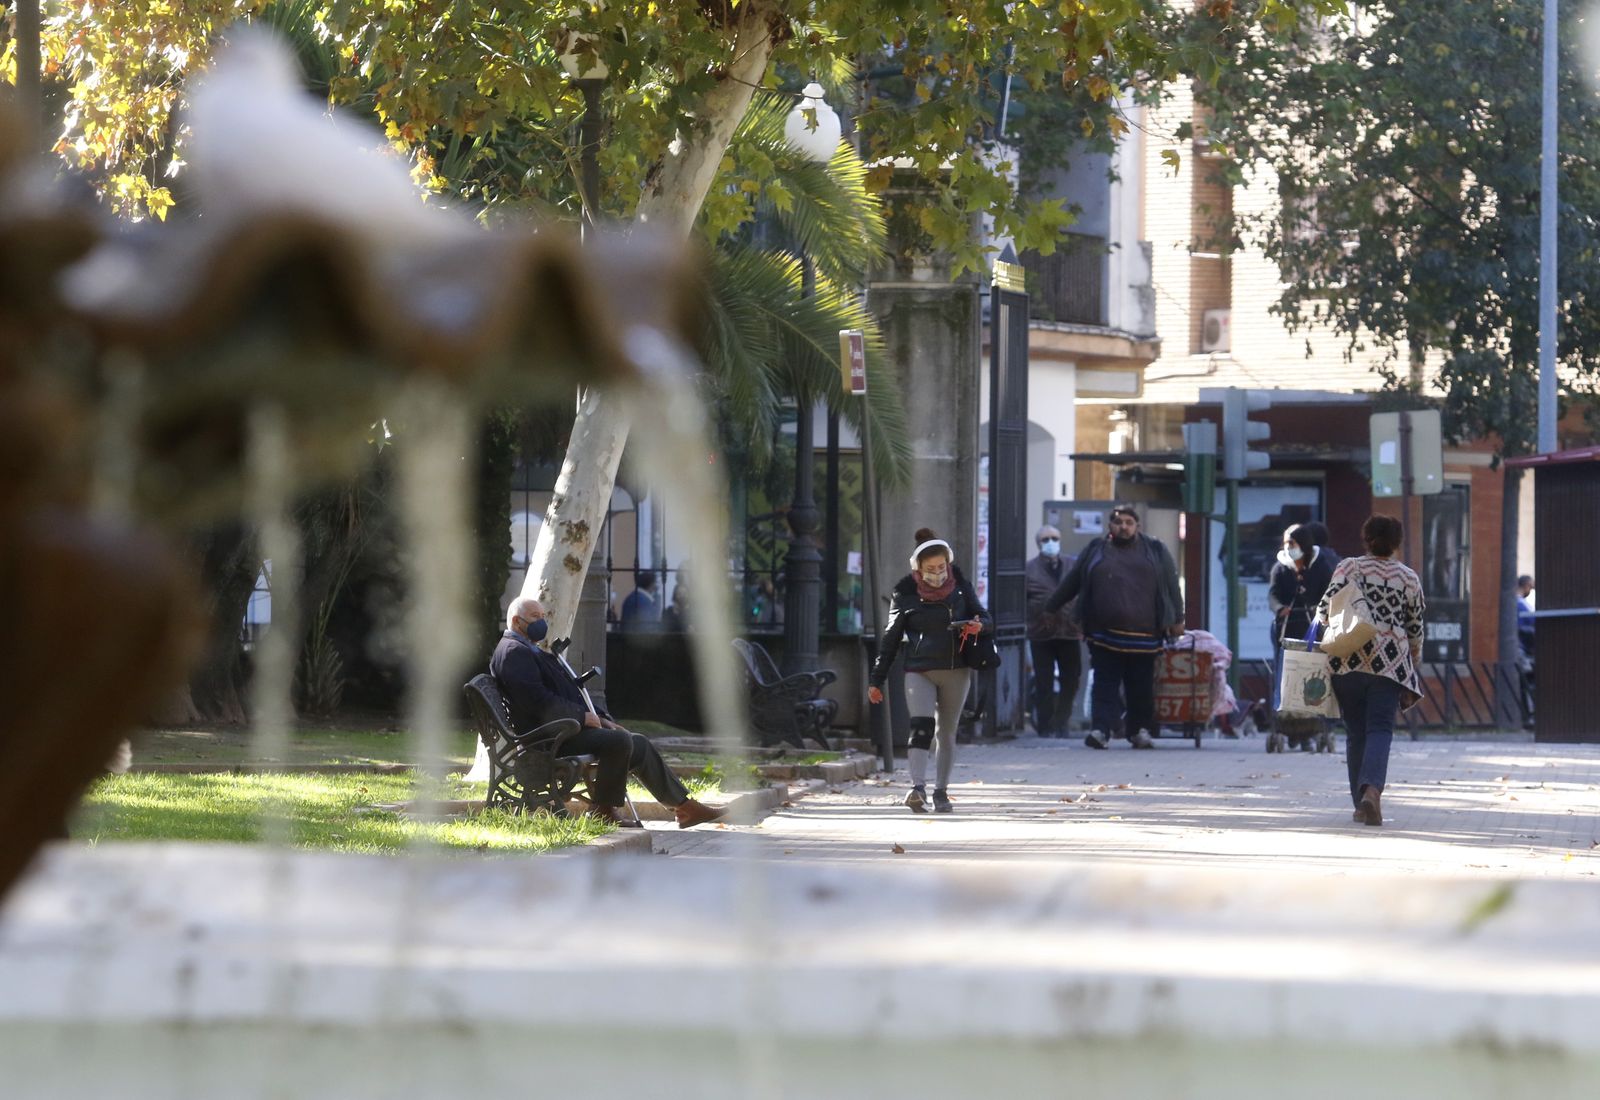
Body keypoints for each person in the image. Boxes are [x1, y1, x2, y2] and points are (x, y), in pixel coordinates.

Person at [491, 596, 723, 828]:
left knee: (637, 743)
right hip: (545, 737)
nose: (541, 622)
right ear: (516, 621)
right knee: (618, 742)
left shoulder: (528, 649)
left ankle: (685, 808)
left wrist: (600, 718)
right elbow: (537, 701)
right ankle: (604, 811)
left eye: (543, 617)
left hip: (560, 729)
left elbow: (566, 691)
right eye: (535, 617)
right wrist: (582, 717)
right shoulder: (514, 652)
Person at [867, 528, 991, 814]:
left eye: (941, 567)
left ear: (948, 564)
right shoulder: (904, 593)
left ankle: (941, 791)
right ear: (918, 569)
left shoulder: (961, 587)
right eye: (930, 569)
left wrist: (979, 626)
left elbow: (985, 617)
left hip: (955, 669)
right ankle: (917, 788)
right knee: (920, 726)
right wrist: (877, 679)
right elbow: (890, 639)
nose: (937, 573)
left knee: (946, 733)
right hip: (919, 668)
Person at [1313, 514, 1426, 827]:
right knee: (1380, 729)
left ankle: (1360, 803)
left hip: (1347, 660)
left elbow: (1324, 610)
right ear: (1396, 542)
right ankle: (1372, 793)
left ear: (1367, 539)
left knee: (1356, 733)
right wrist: (1412, 659)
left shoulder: (1348, 567)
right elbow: (1415, 626)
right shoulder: (1408, 578)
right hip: (1389, 666)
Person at [1043, 504, 1183, 750]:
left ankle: (1138, 731)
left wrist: (1178, 619)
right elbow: (1073, 580)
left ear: (1137, 526)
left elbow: (1172, 585)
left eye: (1129, 522)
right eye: (1119, 522)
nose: (1124, 527)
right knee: (1104, 684)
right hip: (1103, 634)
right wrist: (1051, 607)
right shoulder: (1096, 550)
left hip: (1146, 636)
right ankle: (1101, 730)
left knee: (1140, 687)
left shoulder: (1156, 550)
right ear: (1110, 526)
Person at [1268, 524, 1337, 712]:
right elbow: (1273, 594)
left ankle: (1313, 713)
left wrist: (1321, 609)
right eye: (1286, 543)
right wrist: (1280, 608)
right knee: (1283, 670)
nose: (1289, 548)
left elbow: (1329, 592)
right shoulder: (1280, 568)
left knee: (1315, 670)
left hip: (1313, 626)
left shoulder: (1321, 566)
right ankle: (1283, 710)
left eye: (1292, 543)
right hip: (1286, 627)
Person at [1024, 523, 1082, 737]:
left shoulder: (1072, 566)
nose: (1051, 543)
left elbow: (1082, 593)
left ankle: (1062, 722)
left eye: (1054, 539)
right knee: (1043, 682)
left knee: (1071, 680)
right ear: (1039, 544)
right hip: (1041, 634)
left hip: (1069, 632)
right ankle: (1046, 725)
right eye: (1045, 540)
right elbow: (1022, 600)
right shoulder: (1029, 569)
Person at [1516, 575, 1536, 662]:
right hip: (1522, 645)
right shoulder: (1520, 603)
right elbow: (1533, 620)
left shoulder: (1520, 602)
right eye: (1531, 587)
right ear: (1526, 585)